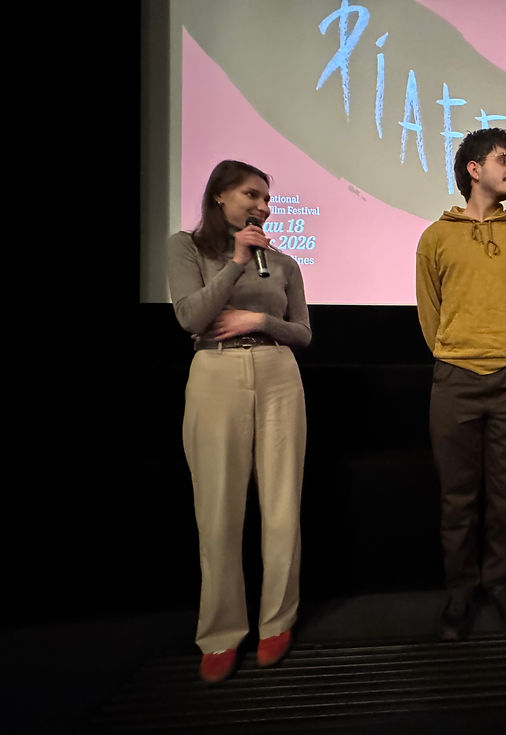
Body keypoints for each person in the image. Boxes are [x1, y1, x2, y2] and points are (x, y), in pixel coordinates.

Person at [167, 160, 312, 683]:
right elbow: (190, 317)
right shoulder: (186, 248)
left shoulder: (285, 263)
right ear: (220, 196)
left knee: (280, 505)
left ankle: (278, 622)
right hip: (215, 371)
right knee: (219, 509)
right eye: (252, 195)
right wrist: (234, 262)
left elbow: (303, 333)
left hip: (278, 372)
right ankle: (222, 633)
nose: (263, 207)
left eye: (268, 199)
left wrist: (259, 320)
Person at [415, 128, 506, 641]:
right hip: (454, 379)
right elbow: (430, 314)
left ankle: (501, 582)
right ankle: (460, 589)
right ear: (474, 169)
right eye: (505, 159)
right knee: (457, 495)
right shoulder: (436, 236)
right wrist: (457, 352)